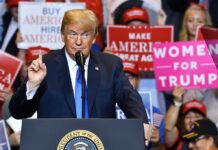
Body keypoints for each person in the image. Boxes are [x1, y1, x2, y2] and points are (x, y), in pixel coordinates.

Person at [9, 8, 149, 143]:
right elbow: (18, 112)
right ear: (62, 36)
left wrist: (142, 123)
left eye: (85, 34)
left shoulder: (110, 65)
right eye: (73, 34)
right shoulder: (45, 65)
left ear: (94, 38)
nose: (78, 41)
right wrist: (32, 85)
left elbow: (129, 98)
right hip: (55, 144)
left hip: (101, 143)